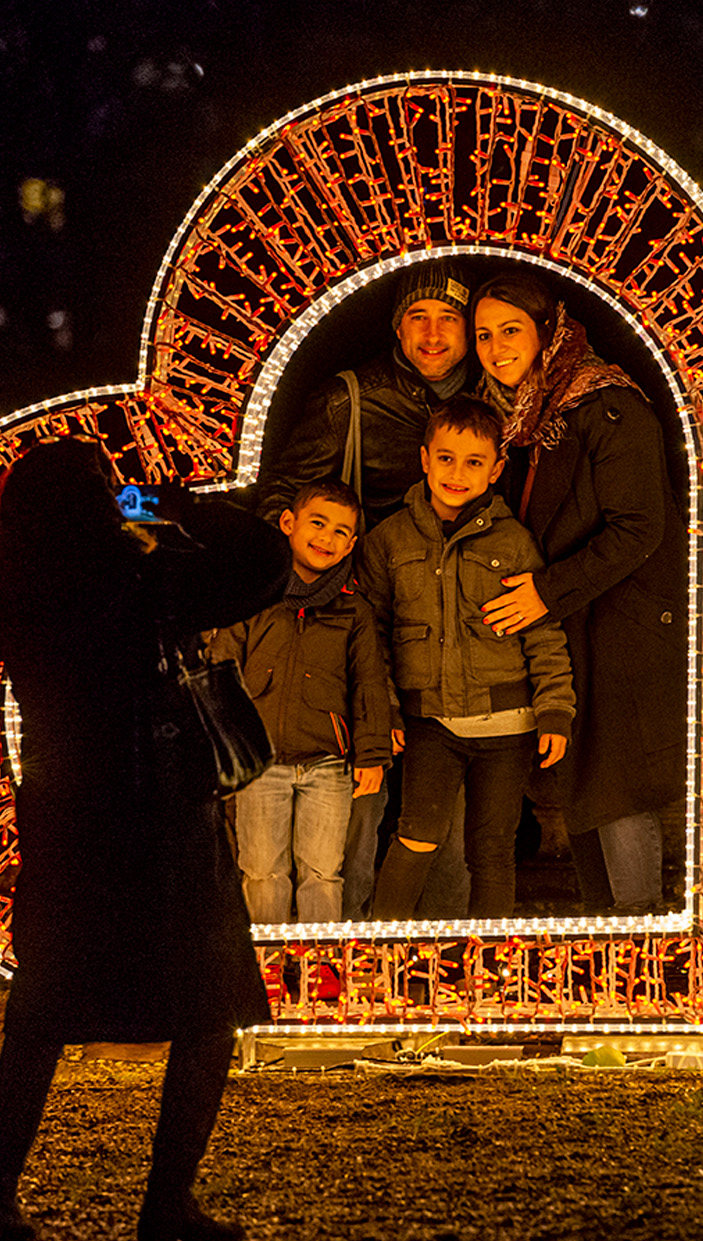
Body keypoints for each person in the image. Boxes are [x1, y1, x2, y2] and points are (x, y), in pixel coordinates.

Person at [0, 438, 288, 1241]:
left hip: (65, 812)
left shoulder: (0, 593)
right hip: (161, 812)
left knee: (42, 1011)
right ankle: (167, 1202)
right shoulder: (146, 578)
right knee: (206, 1007)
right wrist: (177, 506)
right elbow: (267, 563)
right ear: (100, 501)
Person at [255, 258, 478, 919]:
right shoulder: (347, 400)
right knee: (358, 804)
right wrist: (321, 582)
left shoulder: (494, 403)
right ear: (397, 328)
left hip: (452, 633)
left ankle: (441, 950)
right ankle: (347, 941)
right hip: (359, 627)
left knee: (447, 812)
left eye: (448, 319)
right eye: (418, 318)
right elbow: (281, 499)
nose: (432, 334)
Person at [472, 268, 687, 913]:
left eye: (511, 330)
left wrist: (546, 591)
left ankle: (641, 931)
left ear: (547, 331)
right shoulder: (526, 414)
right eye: (483, 335)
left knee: (614, 783)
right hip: (576, 619)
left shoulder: (604, 404)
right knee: (584, 787)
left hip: (622, 622)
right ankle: (610, 933)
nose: (495, 348)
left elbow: (641, 526)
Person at [361, 397, 575, 920]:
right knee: (417, 834)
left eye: (474, 462)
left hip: (509, 726)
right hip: (431, 723)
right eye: (446, 459)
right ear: (425, 459)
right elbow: (372, 638)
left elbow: (543, 633)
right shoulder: (389, 540)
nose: (457, 473)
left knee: (493, 849)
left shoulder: (514, 541)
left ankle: (490, 959)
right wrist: (387, 712)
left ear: (495, 470)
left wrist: (555, 710)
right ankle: (380, 949)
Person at [209, 479, 389, 923]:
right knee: (262, 872)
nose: (326, 538)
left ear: (351, 545)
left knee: (323, 873)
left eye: (340, 532)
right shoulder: (252, 595)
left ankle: (320, 959)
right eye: (317, 523)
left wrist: (372, 755)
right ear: (289, 523)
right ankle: (269, 959)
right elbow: (222, 667)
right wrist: (223, 744)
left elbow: (369, 683)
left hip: (327, 763)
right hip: (261, 762)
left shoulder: (354, 610)